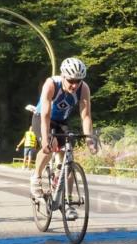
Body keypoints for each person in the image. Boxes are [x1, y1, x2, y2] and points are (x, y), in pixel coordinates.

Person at [30, 57, 96, 198]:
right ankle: (36, 177)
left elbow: (86, 116)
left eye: (78, 81)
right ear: (63, 76)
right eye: (71, 81)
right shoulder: (51, 84)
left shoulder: (84, 88)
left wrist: (89, 139)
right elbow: (45, 116)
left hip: (61, 121)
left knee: (68, 153)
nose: (74, 85)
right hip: (41, 118)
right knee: (50, 146)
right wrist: (46, 139)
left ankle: (67, 198)